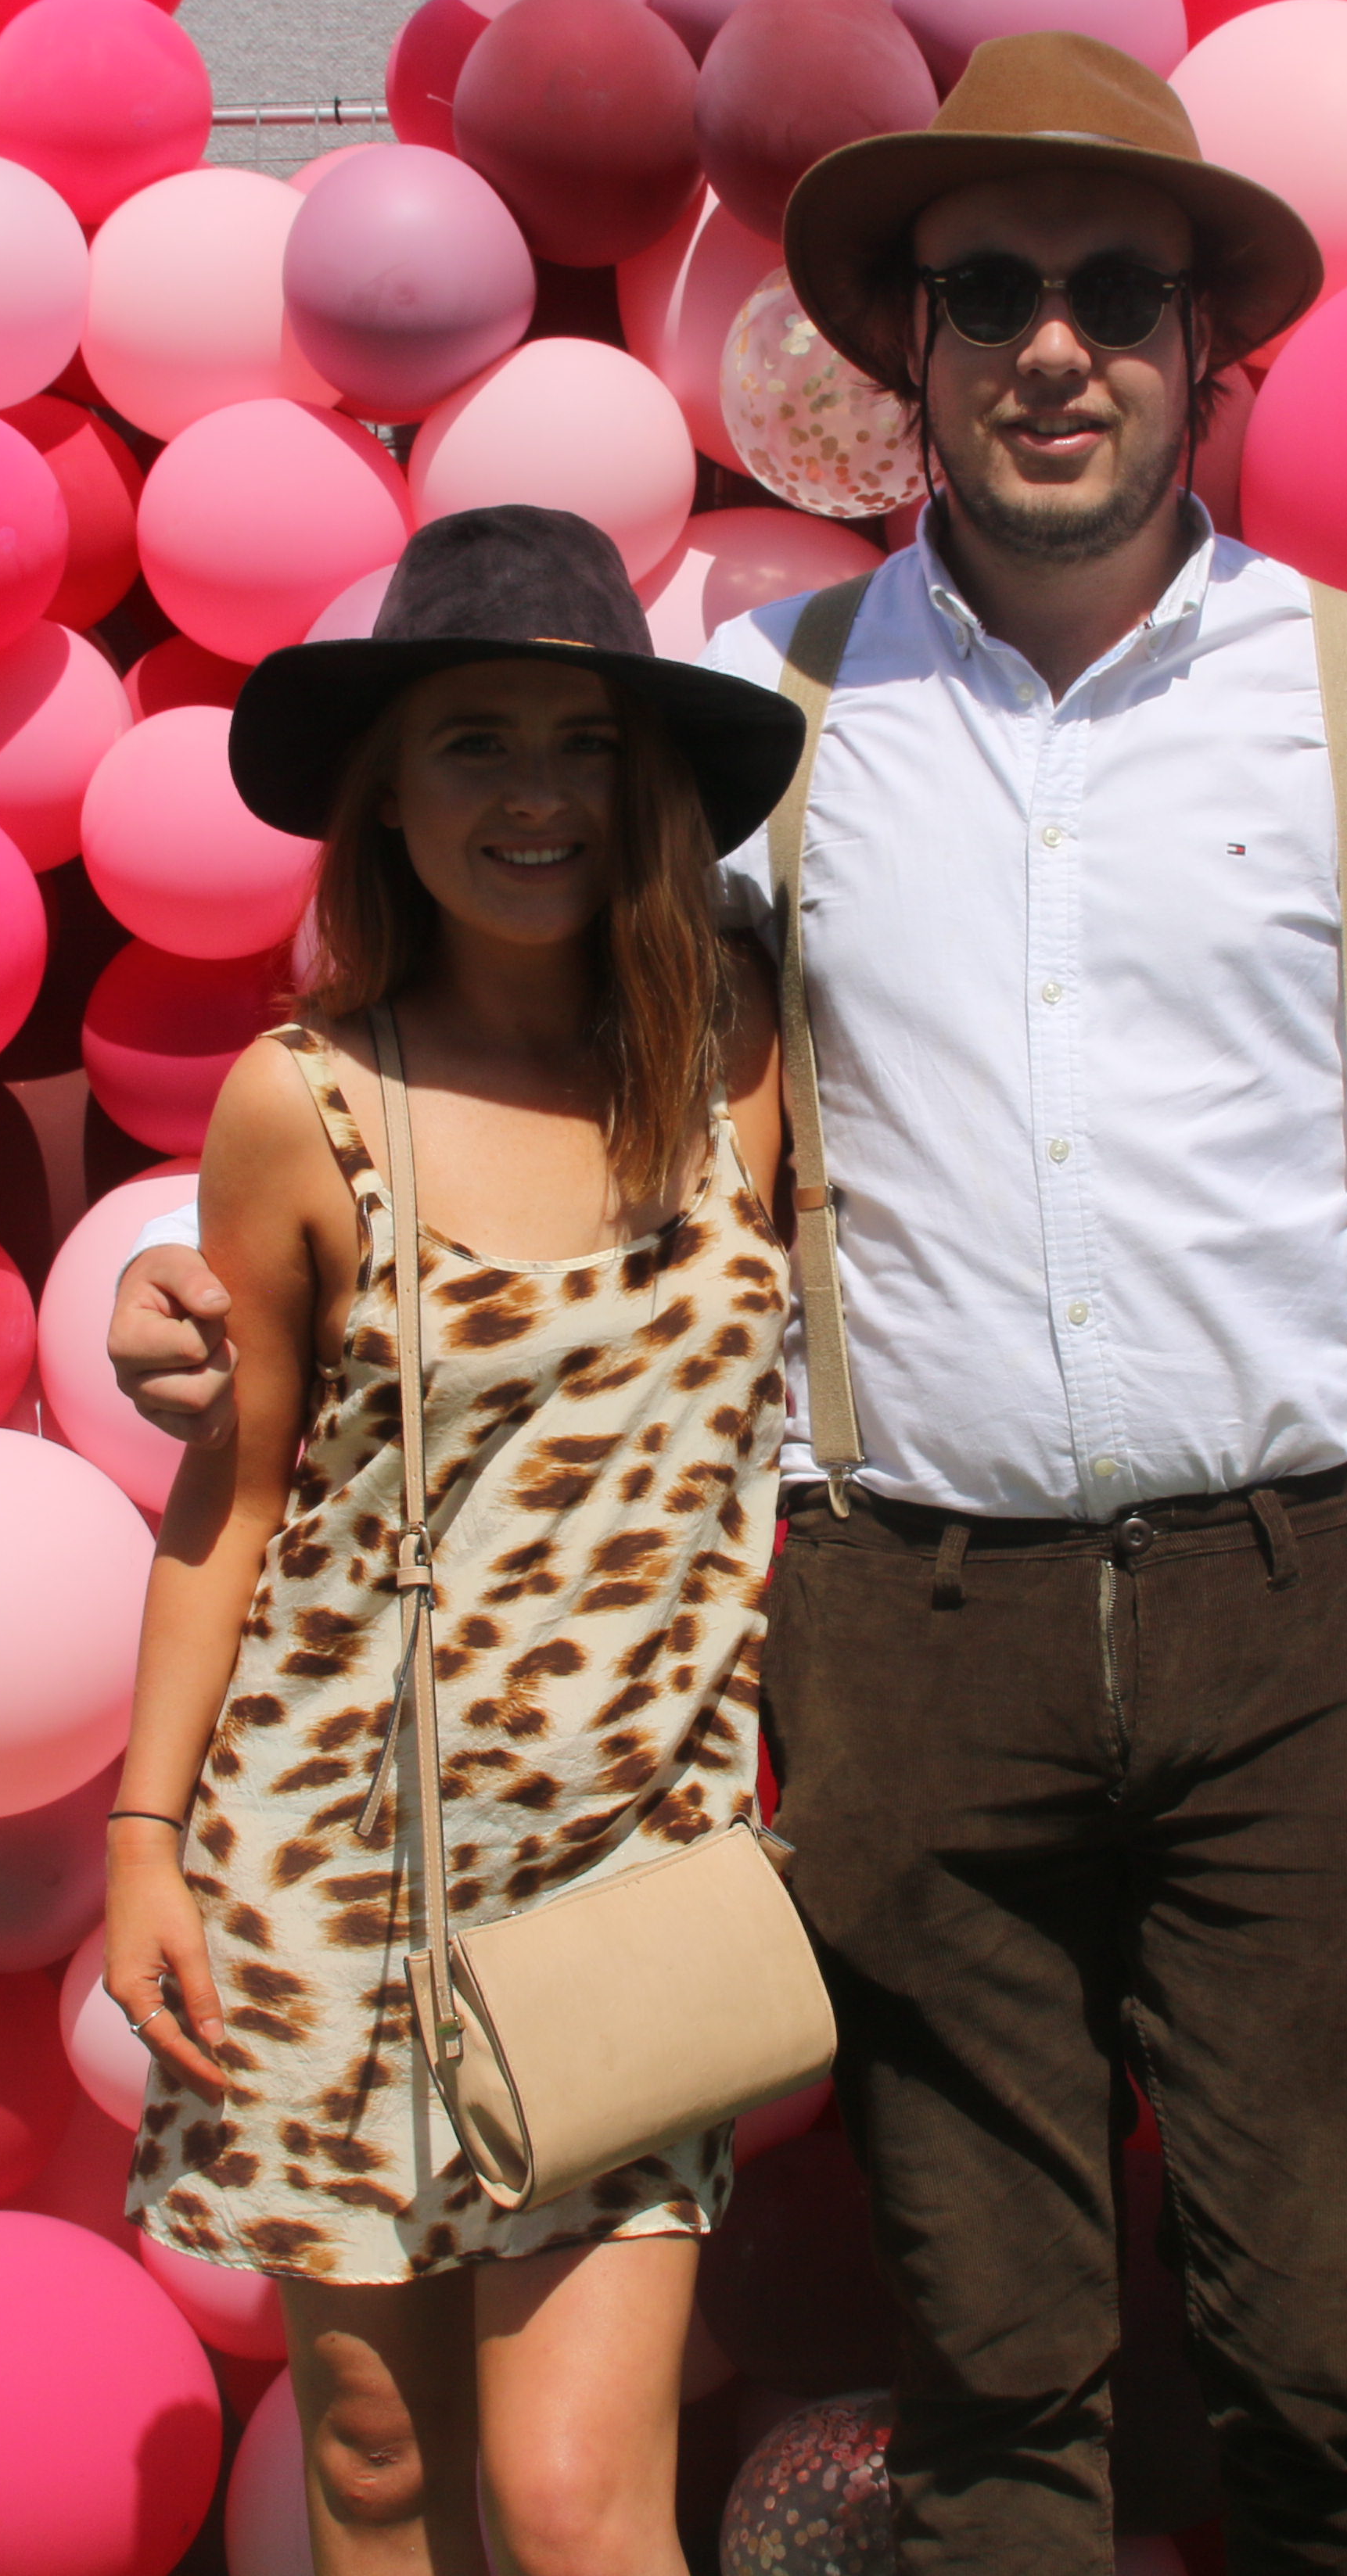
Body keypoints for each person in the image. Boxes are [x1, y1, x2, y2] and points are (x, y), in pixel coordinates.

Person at [116, 35, 1347, 2576]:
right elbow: (520, 1067)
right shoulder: (772, 716)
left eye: (1115, 292)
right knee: (992, 2382)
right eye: (990, 292)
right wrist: (209, 1298)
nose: (1054, 346)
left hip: (1317, 1612)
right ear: (908, 350)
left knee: (1326, 2366)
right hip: (910, 1634)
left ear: (1203, 346)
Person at [99, 502, 802, 2576]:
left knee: (577, 2497)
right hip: (335, 1860)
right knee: (379, 2464)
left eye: (584, 745)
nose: (535, 795)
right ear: (387, 800)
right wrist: (144, 1838)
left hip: (631, 1871)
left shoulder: (744, 1051)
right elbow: (235, 1487)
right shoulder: (303, 1098)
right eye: (474, 743)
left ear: (650, 786)